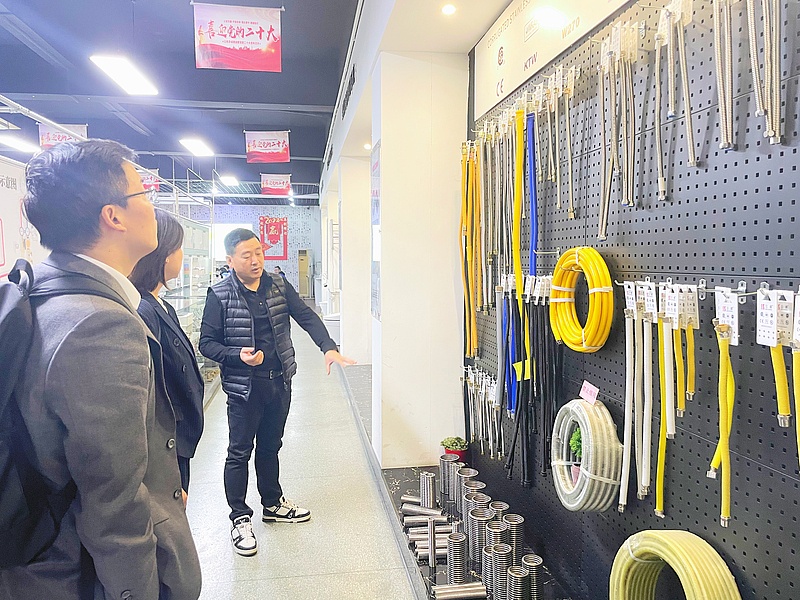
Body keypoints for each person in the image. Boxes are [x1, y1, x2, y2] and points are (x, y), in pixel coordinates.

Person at [1, 140, 201, 600]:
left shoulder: (39, 288)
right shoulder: (100, 323)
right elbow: (114, 500)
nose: (152, 206)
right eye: (144, 193)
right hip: (80, 575)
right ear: (114, 216)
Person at [199, 228, 355, 556]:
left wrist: (328, 347)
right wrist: (236, 355)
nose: (256, 260)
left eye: (259, 252)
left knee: (270, 447)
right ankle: (240, 518)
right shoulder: (220, 294)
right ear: (230, 260)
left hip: (279, 382)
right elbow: (207, 343)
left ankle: (272, 504)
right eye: (247, 255)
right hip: (244, 388)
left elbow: (306, 316)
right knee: (239, 452)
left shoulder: (278, 285)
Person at [130, 208, 205, 494]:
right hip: (164, 447)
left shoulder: (163, 305)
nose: (181, 256)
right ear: (162, 255)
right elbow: (149, 397)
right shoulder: (143, 311)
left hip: (178, 441)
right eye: (178, 248)